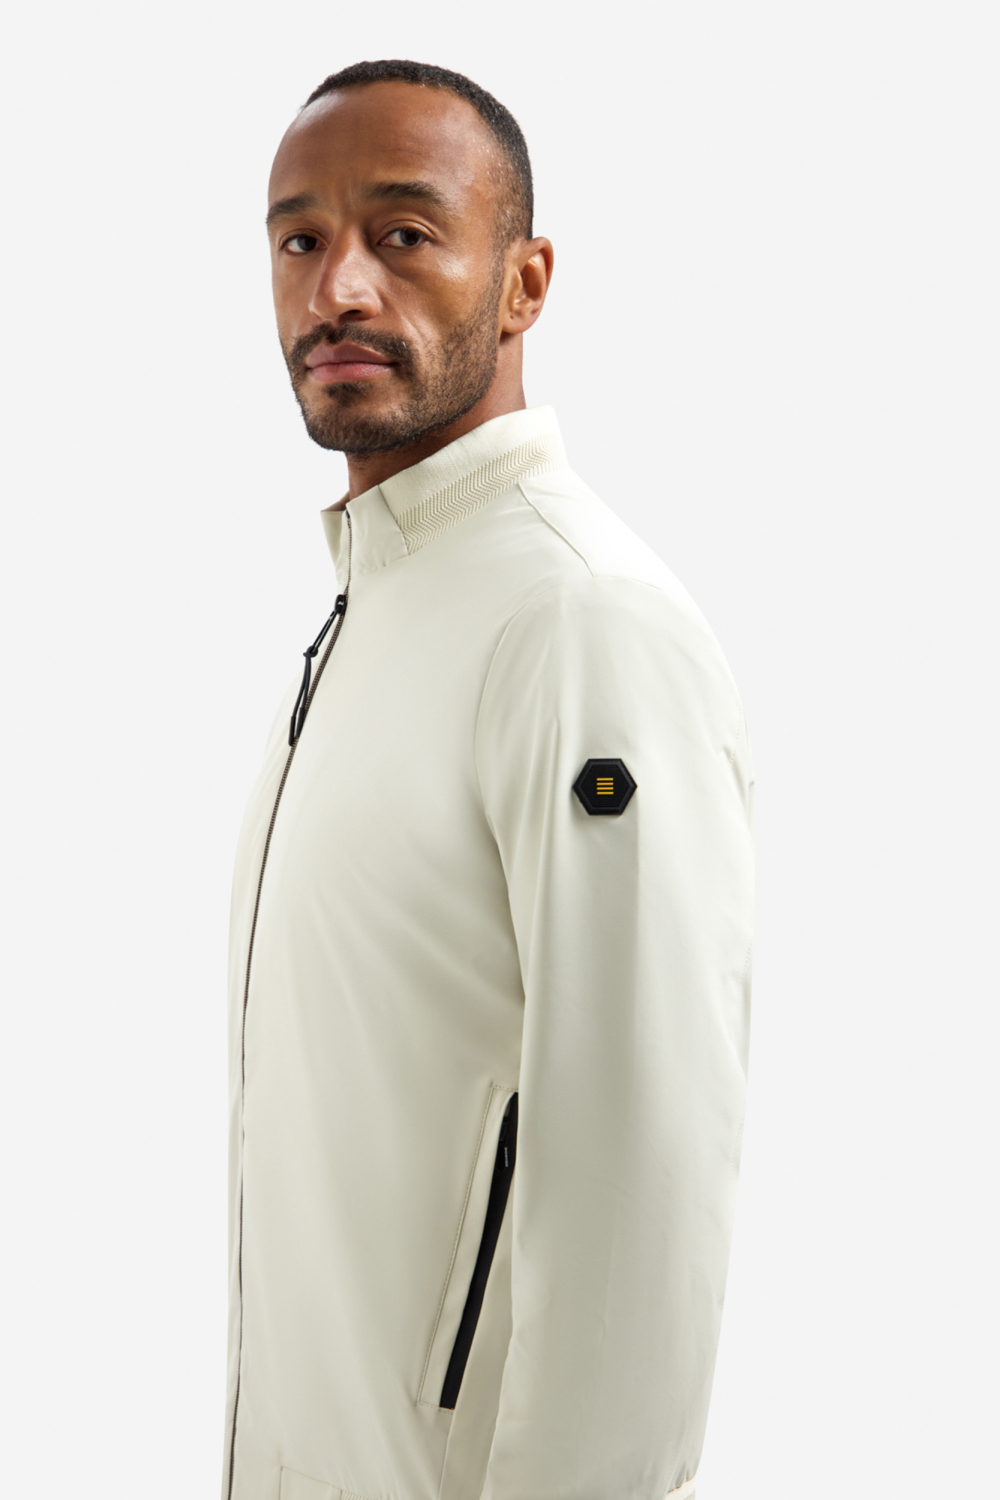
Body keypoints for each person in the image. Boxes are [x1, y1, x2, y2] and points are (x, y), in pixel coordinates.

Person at [224, 59, 754, 1500]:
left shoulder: (576, 621)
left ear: (523, 284)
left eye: (404, 234)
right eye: (300, 239)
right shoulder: (374, 611)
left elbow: (644, 1181)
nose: (337, 288)